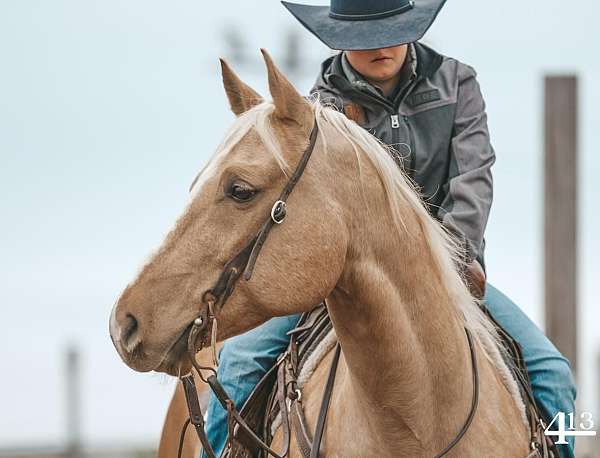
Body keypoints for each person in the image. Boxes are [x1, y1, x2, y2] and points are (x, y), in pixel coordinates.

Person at [203, 1, 577, 456]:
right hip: (344, 282)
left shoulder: (458, 84)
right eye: (365, 35)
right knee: (237, 367)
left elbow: (472, 179)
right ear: (339, 38)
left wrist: (451, 265)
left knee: (554, 375)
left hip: (450, 276)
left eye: (393, 29)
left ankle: (565, 449)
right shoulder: (321, 111)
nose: (382, 45)